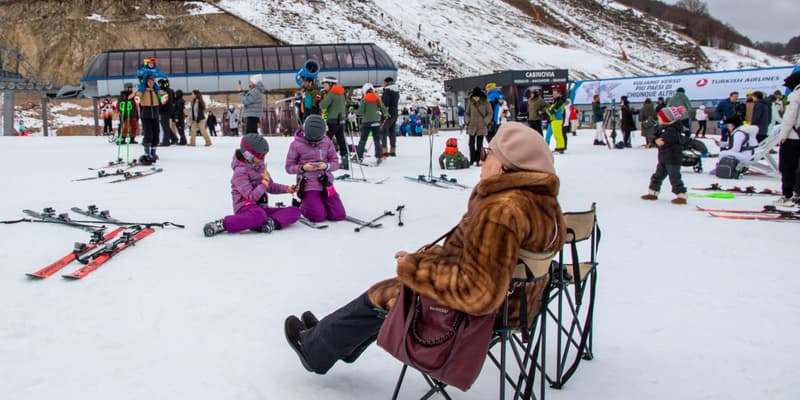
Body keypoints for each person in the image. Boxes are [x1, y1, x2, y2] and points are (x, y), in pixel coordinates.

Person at [283, 121, 566, 376]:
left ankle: (314, 350)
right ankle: (334, 341)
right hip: (519, 303)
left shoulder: (502, 210)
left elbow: (479, 293)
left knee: (384, 294)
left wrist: (417, 268)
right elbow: (486, 262)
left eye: (489, 154)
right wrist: (430, 259)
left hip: (480, 315)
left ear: (507, 167)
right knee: (394, 289)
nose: (482, 160)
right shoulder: (540, 202)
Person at [203, 134, 300, 237]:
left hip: (261, 209)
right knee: (259, 215)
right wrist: (264, 183)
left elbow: (270, 186)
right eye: (261, 156)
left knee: (295, 211)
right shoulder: (240, 172)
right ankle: (222, 224)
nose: (263, 159)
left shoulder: (260, 166)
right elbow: (251, 196)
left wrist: (287, 189)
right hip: (245, 208)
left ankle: (269, 223)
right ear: (249, 154)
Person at [285, 114, 346, 223]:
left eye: (317, 140)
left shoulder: (327, 142)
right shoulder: (296, 144)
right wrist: (303, 168)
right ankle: (302, 205)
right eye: (311, 140)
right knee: (318, 217)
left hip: (326, 183)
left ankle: (320, 203)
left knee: (338, 215)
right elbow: (289, 167)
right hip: (308, 185)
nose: (314, 143)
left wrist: (326, 166)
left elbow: (335, 163)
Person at [640, 106, 688, 205]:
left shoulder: (672, 131)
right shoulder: (665, 129)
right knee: (657, 176)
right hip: (664, 158)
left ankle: (681, 195)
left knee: (674, 178)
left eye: (660, 118)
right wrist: (655, 136)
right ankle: (653, 192)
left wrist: (655, 140)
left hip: (672, 159)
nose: (658, 119)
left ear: (667, 119)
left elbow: (661, 142)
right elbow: (656, 139)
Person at [775, 70, 800, 206]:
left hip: (793, 137)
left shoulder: (795, 95)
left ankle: (787, 195)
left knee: (788, 167)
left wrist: (783, 136)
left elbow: (789, 118)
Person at [130, 76, 165, 163]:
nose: (151, 83)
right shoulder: (143, 90)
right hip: (146, 114)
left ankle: (153, 152)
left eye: (152, 82)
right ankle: (147, 152)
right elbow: (138, 95)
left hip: (155, 114)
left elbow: (162, 93)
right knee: (148, 134)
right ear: (146, 82)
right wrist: (136, 96)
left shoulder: (156, 91)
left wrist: (164, 95)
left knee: (156, 133)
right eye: (149, 82)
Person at [318, 76, 349, 169]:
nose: (324, 86)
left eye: (325, 84)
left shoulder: (331, 94)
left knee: (326, 141)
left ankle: (323, 160)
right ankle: (345, 161)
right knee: (341, 140)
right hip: (341, 120)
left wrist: (320, 98)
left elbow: (322, 105)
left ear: (331, 84)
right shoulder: (342, 93)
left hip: (332, 120)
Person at [355, 83, 386, 163]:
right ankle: (379, 156)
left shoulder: (364, 99)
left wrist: (354, 111)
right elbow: (383, 109)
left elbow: (360, 112)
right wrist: (386, 115)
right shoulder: (377, 98)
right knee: (377, 140)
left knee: (363, 140)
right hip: (376, 122)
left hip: (367, 123)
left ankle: (359, 157)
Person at [465, 87, 492, 166]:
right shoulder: (470, 102)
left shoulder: (486, 102)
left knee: (479, 144)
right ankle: (472, 159)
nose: (475, 98)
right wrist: (468, 121)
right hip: (472, 125)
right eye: (474, 97)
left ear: (480, 96)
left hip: (481, 126)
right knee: (471, 143)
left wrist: (485, 121)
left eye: (477, 97)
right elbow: (467, 113)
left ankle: (478, 159)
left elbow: (490, 113)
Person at [380, 76, 400, 156]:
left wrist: (384, 113)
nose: (383, 84)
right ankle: (393, 149)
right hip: (395, 112)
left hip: (388, 113)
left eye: (384, 82)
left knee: (383, 131)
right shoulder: (396, 91)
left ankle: (384, 150)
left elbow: (385, 103)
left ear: (387, 83)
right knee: (392, 131)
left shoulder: (387, 91)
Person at [546, 87, 566, 153]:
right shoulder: (556, 102)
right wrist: (549, 110)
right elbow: (549, 110)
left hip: (557, 119)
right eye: (553, 93)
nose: (553, 95)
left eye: (555, 93)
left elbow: (551, 111)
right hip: (554, 120)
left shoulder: (559, 102)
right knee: (555, 135)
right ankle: (559, 147)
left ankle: (560, 148)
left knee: (558, 135)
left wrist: (548, 111)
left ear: (559, 94)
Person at [157, 79, 177, 146]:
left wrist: (158, 109)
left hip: (164, 111)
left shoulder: (164, 91)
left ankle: (166, 141)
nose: (159, 85)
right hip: (169, 110)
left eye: (159, 84)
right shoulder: (170, 90)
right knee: (166, 126)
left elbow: (162, 102)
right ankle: (174, 138)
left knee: (165, 126)